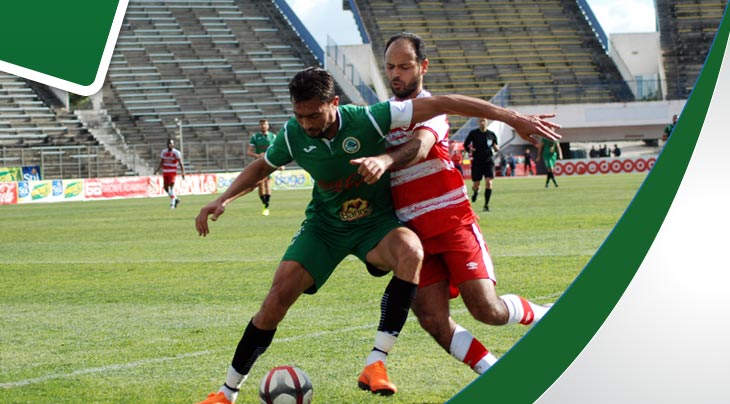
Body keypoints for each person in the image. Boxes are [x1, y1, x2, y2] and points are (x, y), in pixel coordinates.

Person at [194, 67, 561, 404]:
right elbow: (263, 165)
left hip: (375, 224)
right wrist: (223, 199)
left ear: (334, 104)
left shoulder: (369, 118)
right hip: (325, 227)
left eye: (314, 115)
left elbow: (445, 103)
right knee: (275, 301)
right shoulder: (292, 135)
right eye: (299, 115)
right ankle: (226, 393)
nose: (306, 123)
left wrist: (512, 118)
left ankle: (376, 363)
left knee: (411, 253)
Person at [359, 32, 555, 377]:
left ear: (423, 67)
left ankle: (547, 316)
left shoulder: (431, 109)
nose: (395, 74)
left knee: (486, 310)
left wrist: (385, 161)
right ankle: (494, 374)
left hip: (452, 223)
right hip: (413, 237)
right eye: (390, 67)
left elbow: (420, 147)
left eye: (404, 66)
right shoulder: (382, 116)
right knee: (433, 320)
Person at [463, 117, 498, 211]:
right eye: (481, 121)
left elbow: (495, 145)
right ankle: (475, 192)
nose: (482, 122)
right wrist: (470, 149)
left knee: (489, 182)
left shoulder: (491, 134)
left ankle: (486, 205)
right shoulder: (473, 133)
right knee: (476, 184)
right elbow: (465, 144)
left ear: (487, 122)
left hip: (488, 161)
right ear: (478, 122)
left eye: (484, 121)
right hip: (477, 161)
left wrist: (496, 148)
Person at [247, 119, 276, 216]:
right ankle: (264, 204)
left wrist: (280, 163)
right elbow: (249, 152)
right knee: (260, 185)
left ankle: (266, 206)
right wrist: (258, 155)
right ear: (259, 126)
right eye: (261, 124)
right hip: (258, 164)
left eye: (265, 124)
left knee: (267, 184)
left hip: (269, 163)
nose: (263, 126)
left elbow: (277, 151)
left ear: (268, 126)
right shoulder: (255, 137)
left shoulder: (273, 136)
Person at [155, 138, 185, 209]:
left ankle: (172, 204)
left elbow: (180, 163)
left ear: (173, 144)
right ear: (167, 145)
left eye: (172, 143)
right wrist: (157, 170)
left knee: (171, 187)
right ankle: (176, 199)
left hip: (172, 172)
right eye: (169, 143)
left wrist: (183, 173)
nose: (170, 145)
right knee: (165, 188)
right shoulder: (163, 152)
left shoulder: (176, 152)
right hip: (165, 172)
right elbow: (161, 162)